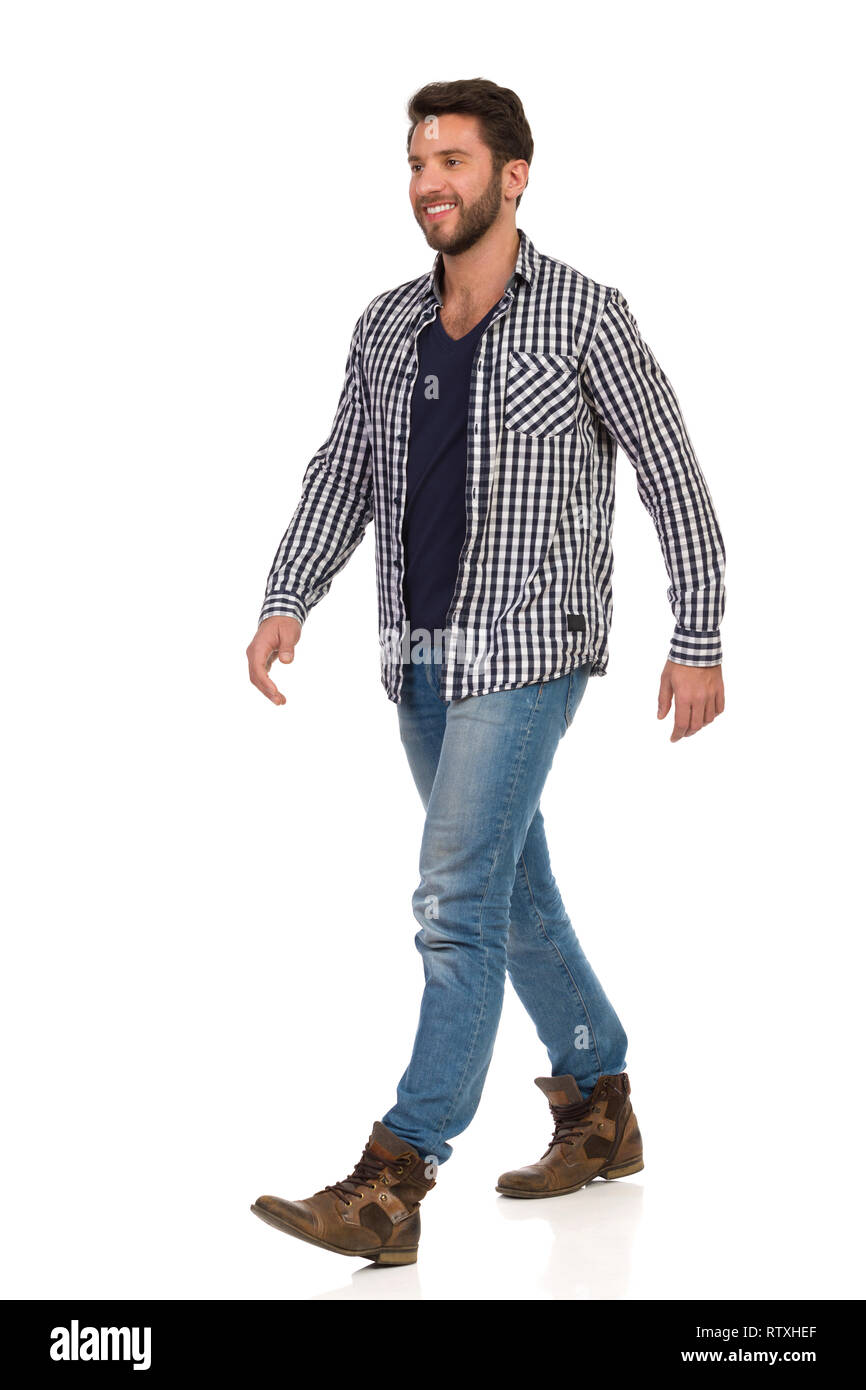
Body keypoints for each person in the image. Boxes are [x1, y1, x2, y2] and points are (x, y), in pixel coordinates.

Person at [246, 78, 726, 1266]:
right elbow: (341, 471)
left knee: (453, 902)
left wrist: (698, 638)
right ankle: (598, 1103)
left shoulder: (584, 316)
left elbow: (672, 474)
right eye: (417, 162)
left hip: (528, 650)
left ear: (512, 176)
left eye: (451, 160)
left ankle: (393, 1177)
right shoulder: (385, 324)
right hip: (415, 653)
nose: (428, 182)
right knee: (513, 894)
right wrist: (286, 595)